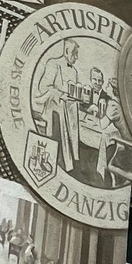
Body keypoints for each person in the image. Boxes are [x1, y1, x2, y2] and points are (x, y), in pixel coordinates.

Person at [31, 39, 81, 171]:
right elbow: (44, 87)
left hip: (70, 111)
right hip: (55, 109)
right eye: (75, 54)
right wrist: (60, 95)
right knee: (56, 138)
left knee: (70, 140)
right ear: (66, 51)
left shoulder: (74, 71)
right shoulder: (53, 64)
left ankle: (69, 165)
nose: (76, 57)